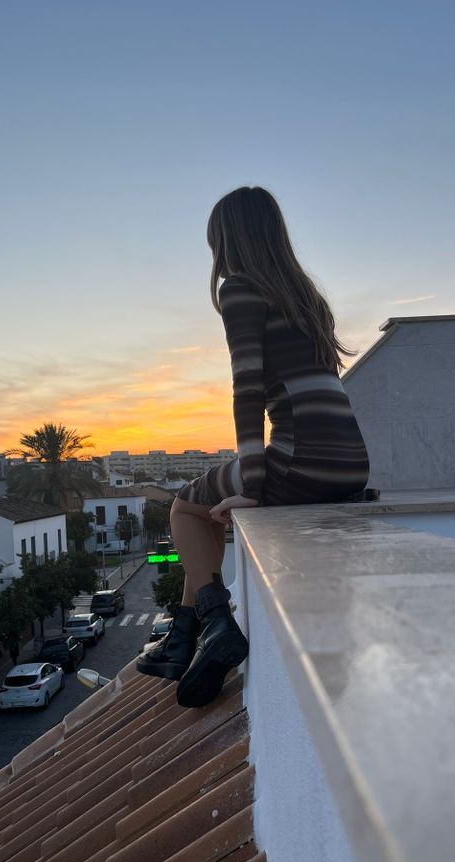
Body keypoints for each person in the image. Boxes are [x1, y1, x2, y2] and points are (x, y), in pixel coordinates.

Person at [136, 186, 372, 707]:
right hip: (351, 466)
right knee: (207, 504)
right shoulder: (308, 299)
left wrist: (256, 489)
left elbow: (247, 389)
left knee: (186, 508)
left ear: (226, 241)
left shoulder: (240, 289)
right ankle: (182, 642)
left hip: (299, 464)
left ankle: (215, 628)